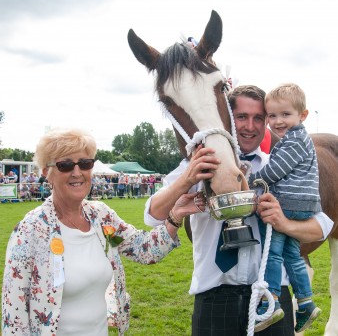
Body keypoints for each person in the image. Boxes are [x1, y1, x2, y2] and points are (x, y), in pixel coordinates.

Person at [144, 85, 333, 336]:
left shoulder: (276, 166)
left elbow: (323, 225)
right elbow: (151, 216)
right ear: (228, 119)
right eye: (242, 117)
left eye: (259, 118)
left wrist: (285, 224)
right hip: (214, 300)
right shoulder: (197, 165)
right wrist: (187, 180)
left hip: (273, 299)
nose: (250, 126)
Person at [1, 128, 204, 336]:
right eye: (65, 165)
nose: (77, 172)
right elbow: (14, 320)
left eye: (85, 163)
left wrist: (176, 214)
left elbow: (144, 249)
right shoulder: (30, 231)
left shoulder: (101, 218)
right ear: (46, 173)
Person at [247, 83, 322, 332]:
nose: (278, 121)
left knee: (273, 255)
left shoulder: (293, 142)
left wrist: (249, 180)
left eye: (285, 114)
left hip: (289, 204)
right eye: (272, 115)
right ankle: (306, 303)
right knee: (293, 255)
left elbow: (275, 171)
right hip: (303, 205)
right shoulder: (300, 139)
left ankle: (271, 304)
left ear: (303, 115)